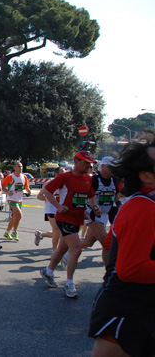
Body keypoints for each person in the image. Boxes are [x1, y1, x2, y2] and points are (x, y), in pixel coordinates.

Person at [88, 132, 155, 357]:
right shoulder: (143, 207)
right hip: (128, 310)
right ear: (147, 176)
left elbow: (109, 244)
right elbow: (131, 269)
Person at [38, 150, 100, 298]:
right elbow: (46, 191)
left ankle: (48, 271)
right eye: (86, 162)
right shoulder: (65, 177)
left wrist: (93, 208)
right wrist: (58, 206)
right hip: (64, 218)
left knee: (62, 248)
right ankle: (69, 283)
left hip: (78, 219)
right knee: (76, 249)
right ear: (77, 161)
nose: (89, 166)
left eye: (90, 163)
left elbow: (90, 196)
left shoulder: (88, 179)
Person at [81, 156, 120, 264]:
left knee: (88, 243)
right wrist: (85, 209)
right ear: (103, 167)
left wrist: (120, 205)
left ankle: (68, 250)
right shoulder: (94, 180)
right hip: (93, 215)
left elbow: (115, 195)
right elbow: (83, 195)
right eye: (111, 167)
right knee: (107, 243)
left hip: (106, 215)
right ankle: (110, 271)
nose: (113, 170)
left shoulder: (114, 180)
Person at [35, 167, 65, 250]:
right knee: (57, 230)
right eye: (61, 173)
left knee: (58, 232)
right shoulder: (50, 183)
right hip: (51, 209)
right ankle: (55, 251)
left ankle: (41, 235)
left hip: (61, 210)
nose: (63, 175)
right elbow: (39, 196)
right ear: (56, 174)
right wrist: (49, 198)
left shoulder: (66, 185)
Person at [2, 161, 31, 241]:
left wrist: (28, 190)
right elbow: (2, 185)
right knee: (19, 215)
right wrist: (7, 191)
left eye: (21, 166)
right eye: (19, 166)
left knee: (15, 217)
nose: (20, 168)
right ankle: (14, 232)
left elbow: (26, 186)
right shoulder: (11, 177)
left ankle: (7, 232)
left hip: (19, 199)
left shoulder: (24, 177)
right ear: (14, 168)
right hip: (12, 199)